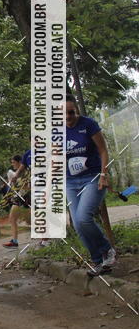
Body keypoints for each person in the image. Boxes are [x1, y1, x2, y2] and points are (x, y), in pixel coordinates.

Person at [66, 96, 115, 275]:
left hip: (93, 177)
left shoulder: (89, 124)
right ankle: (98, 261)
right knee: (78, 226)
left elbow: (103, 150)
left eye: (71, 112)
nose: (68, 116)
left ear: (76, 111)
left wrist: (104, 174)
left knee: (84, 218)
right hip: (70, 182)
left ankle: (107, 250)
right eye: (64, 113)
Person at [3, 149, 31, 247]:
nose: (13, 165)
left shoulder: (27, 172)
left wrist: (21, 191)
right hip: (20, 198)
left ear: (20, 162)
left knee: (31, 220)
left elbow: (28, 185)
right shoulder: (16, 174)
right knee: (12, 217)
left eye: (14, 163)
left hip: (28, 197)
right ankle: (14, 241)